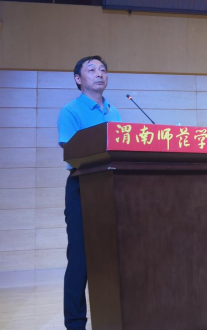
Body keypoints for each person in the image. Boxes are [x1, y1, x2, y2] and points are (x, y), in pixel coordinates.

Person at [57, 56, 122, 330]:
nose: (99, 74)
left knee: (113, 257)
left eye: (103, 70)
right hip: (82, 187)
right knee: (80, 260)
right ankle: (75, 324)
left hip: (114, 187)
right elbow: (71, 151)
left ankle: (114, 319)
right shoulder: (70, 111)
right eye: (92, 69)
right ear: (78, 79)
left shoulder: (114, 111)